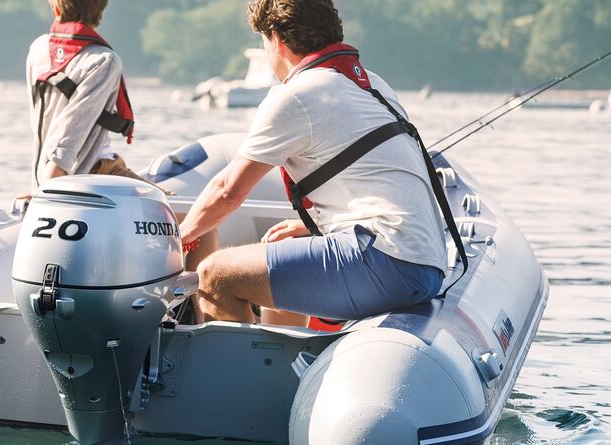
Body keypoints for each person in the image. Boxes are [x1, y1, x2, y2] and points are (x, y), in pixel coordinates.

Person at [178, 0, 456, 326]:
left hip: (386, 263)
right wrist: (311, 227)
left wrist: (178, 239)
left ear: (277, 40)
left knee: (214, 274)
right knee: (285, 243)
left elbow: (227, 192)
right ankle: (279, 364)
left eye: (264, 42)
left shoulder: (296, 94)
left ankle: (238, 377)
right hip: (427, 266)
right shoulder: (373, 85)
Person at [25, 0, 149, 190]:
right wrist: (47, 193)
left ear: (56, 7)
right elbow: (64, 147)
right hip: (92, 174)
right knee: (175, 210)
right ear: (101, 8)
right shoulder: (103, 61)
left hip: (42, 173)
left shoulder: (38, 49)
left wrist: (38, 187)